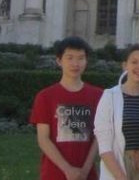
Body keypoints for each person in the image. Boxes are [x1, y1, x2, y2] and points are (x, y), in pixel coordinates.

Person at [31, 36, 104, 180]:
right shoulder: (45, 96)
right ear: (59, 61)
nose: (75, 64)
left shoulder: (98, 95)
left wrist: (85, 169)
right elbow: (43, 139)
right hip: (54, 173)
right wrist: (67, 169)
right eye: (70, 58)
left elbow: (98, 137)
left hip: (87, 173)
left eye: (80, 58)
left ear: (86, 61)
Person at [95, 44, 139, 180]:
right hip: (117, 172)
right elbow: (104, 146)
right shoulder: (110, 96)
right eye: (134, 62)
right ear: (125, 65)